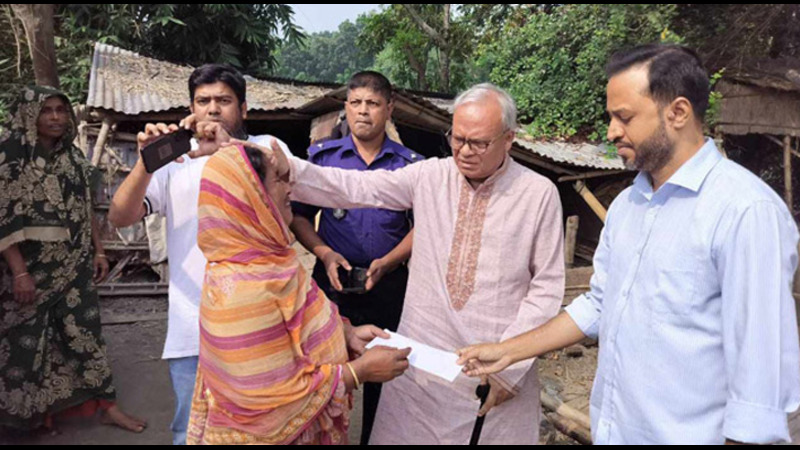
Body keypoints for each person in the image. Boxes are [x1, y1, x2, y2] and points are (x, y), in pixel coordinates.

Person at [458, 45, 800, 445]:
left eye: (625, 117)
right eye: (611, 117)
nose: (611, 131)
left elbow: (760, 376)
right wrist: (510, 351)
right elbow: (599, 303)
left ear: (678, 112)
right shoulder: (627, 205)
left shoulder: (744, 210)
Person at [243, 82, 566, 444]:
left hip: (495, 368)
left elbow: (546, 287)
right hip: (424, 360)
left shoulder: (538, 194)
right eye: (457, 139)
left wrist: (511, 367)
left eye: (479, 143)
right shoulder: (430, 175)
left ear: (508, 139)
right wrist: (293, 169)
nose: (465, 151)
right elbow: (357, 188)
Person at [108, 63, 292, 445]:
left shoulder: (266, 148)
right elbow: (120, 216)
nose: (212, 109)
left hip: (260, 322)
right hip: (192, 326)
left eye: (224, 101)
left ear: (243, 108)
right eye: (202, 101)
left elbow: (282, 193)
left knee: (266, 428)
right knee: (190, 433)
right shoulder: (174, 162)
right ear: (191, 107)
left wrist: (226, 147)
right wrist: (147, 161)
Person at [186, 143, 410, 445]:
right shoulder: (243, 289)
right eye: (277, 180)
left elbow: (297, 322)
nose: (289, 188)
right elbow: (273, 402)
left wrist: (346, 333)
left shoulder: (271, 261)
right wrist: (358, 372)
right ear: (253, 198)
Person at [0, 86, 146, 433]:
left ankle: (107, 406)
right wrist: (20, 273)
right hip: (28, 272)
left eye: (61, 110)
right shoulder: (9, 157)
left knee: (86, 336)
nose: (55, 117)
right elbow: (2, 218)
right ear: (28, 115)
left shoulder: (73, 157)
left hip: (75, 267)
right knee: (26, 343)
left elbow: (85, 208)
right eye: (46, 110)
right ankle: (28, 417)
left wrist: (97, 250)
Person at [290, 71, 421, 444]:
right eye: (356, 103)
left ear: (389, 109)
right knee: (323, 371)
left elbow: (424, 225)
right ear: (345, 108)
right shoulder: (323, 159)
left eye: (373, 104)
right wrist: (324, 252)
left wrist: (390, 260)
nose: (363, 112)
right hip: (331, 282)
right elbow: (297, 214)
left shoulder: (411, 165)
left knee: (389, 376)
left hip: (389, 284)